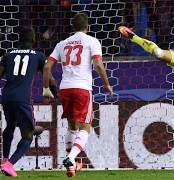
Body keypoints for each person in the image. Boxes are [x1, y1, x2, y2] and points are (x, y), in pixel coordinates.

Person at [42, 13, 113, 177]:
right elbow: (98, 64)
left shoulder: (62, 44)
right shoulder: (92, 41)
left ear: (72, 27)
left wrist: (46, 88)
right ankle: (71, 157)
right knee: (85, 127)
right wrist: (106, 83)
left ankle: (71, 165)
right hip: (82, 88)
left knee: (72, 126)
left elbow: (47, 67)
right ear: (86, 27)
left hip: (65, 88)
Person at [0, 27, 57, 177]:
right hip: (23, 98)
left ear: (18, 40)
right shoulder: (38, 56)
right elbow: (49, 79)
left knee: (10, 126)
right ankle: (9, 165)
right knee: (28, 135)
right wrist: (56, 93)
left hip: (7, 96)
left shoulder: (8, 55)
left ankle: (5, 159)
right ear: (33, 40)